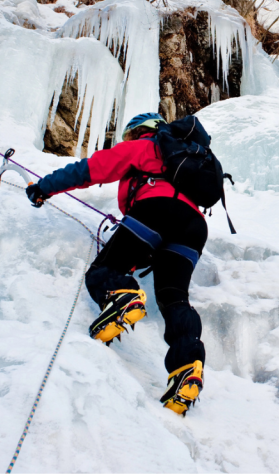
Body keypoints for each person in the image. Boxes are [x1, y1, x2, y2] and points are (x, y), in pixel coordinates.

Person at [25, 112, 207, 416]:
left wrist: (44, 187)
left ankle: (123, 296)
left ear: (141, 132)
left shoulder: (146, 146)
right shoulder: (188, 161)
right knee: (174, 298)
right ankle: (187, 366)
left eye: (130, 135)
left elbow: (90, 169)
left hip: (157, 210)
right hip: (194, 228)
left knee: (104, 271)